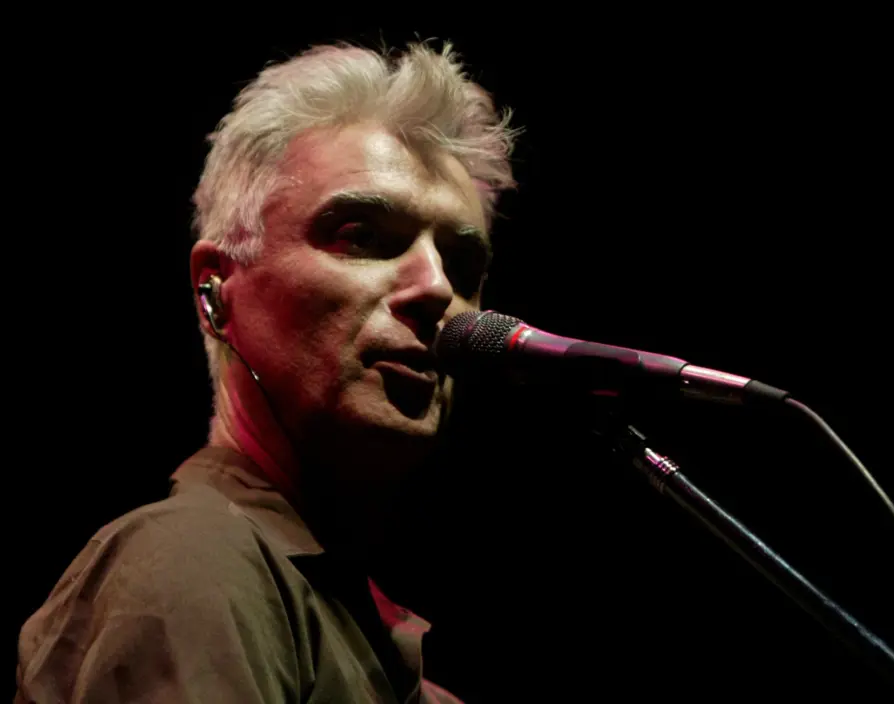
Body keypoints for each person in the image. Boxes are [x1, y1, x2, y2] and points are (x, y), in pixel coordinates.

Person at [16, 40, 518, 703]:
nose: (435, 290)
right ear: (215, 291)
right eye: (362, 235)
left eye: (463, 267)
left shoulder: (339, 623)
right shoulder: (195, 565)